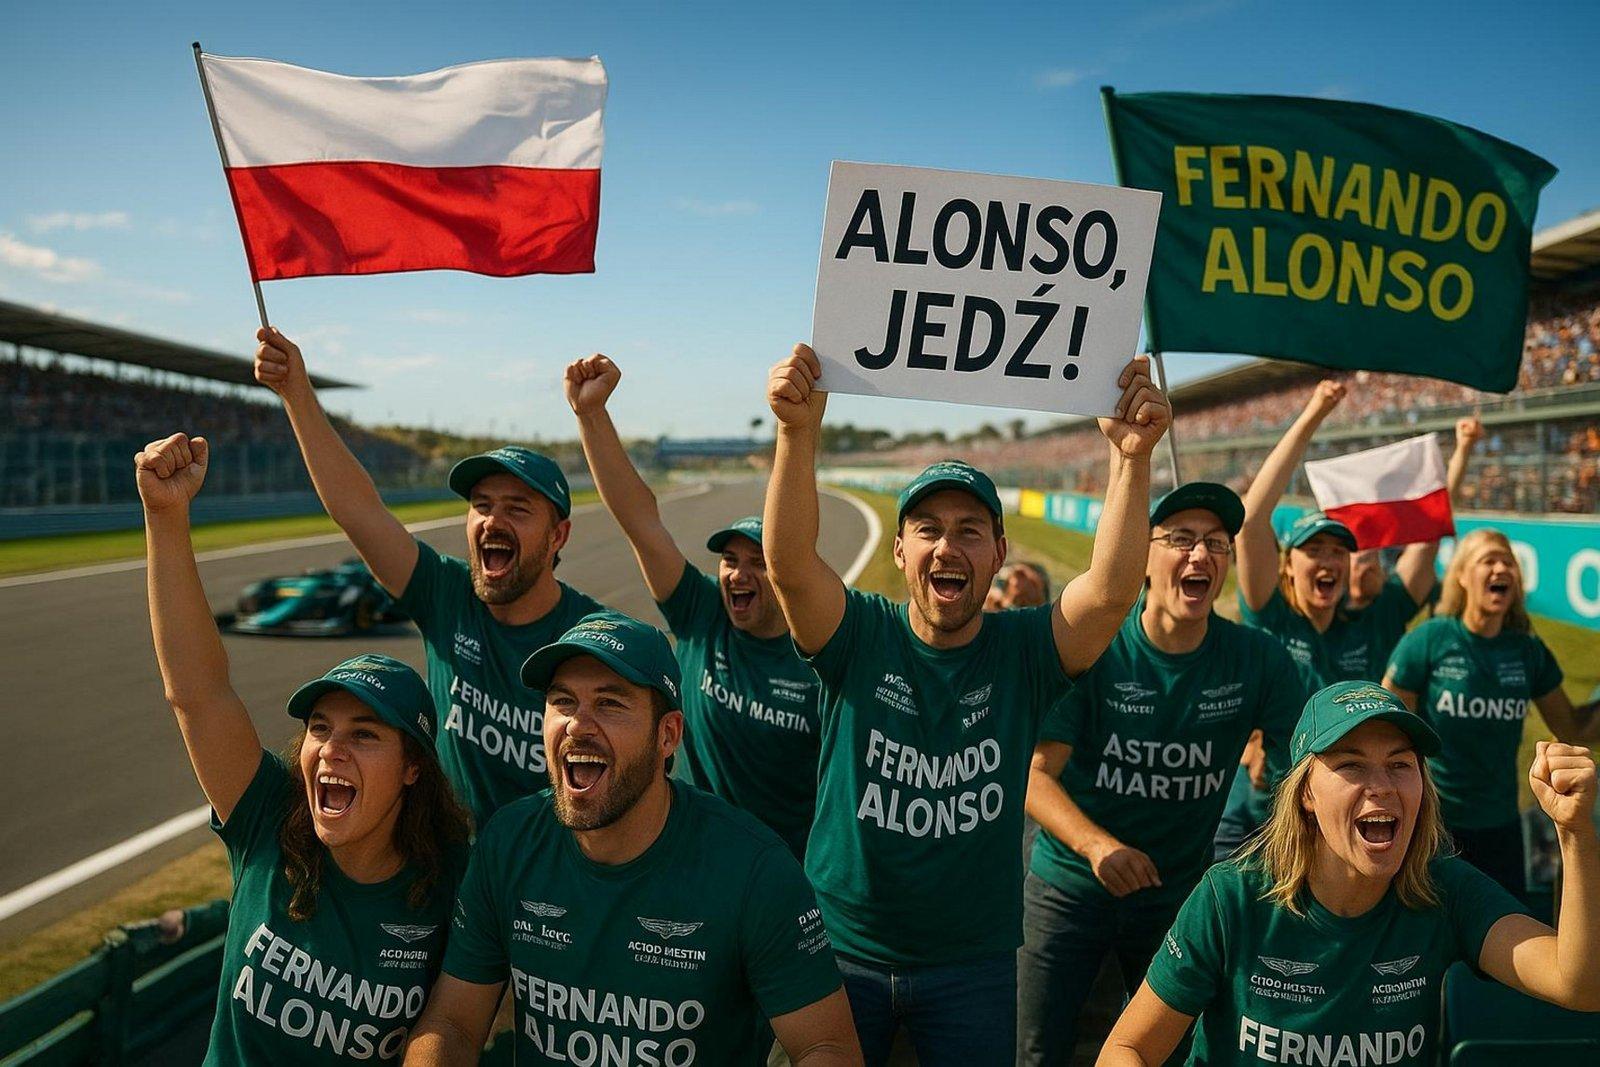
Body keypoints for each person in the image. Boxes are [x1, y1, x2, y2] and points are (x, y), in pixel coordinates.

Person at [762, 343, 1170, 1065]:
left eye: (969, 531)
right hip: (838, 948)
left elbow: (1108, 595)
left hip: (973, 963)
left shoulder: (1021, 651)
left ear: (998, 554)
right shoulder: (862, 633)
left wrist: (1131, 460)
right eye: (929, 529)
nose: (947, 546)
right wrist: (798, 434)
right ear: (899, 550)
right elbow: (791, 568)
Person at [138, 432, 470, 1064]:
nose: (331, 748)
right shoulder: (267, 815)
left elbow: (457, 1021)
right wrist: (165, 516)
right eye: (320, 727)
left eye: (365, 734)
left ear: (412, 769)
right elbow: (198, 695)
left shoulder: (454, 880)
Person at [405, 611, 862, 1066]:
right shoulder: (508, 842)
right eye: (563, 702)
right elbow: (453, 1024)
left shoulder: (753, 870)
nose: (578, 725)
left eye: (609, 704)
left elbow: (826, 1047)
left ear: (667, 736)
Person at [1100, 681, 1600, 1066]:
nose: (1381, 786)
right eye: (1352, 765)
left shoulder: (1445, 890)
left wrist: (1575, 831)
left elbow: (1579, 985)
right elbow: (1127, 1048)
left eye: (1401, 765)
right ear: (1306, 794)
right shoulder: (1231, 897)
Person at [256, 328, 602, 826]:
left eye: (517, 508)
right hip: (448, 867)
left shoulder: (588, 637)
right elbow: (359, 512)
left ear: (558, 536)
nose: (492, 520)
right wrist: (297, 394)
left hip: (544, 877)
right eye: (481, 505)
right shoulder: (447, 593)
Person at [1018, 483, 1306, 1064]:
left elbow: (1305, 764)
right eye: (1180, 540)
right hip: (1069, 886)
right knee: (1035, 1049)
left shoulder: (1257, 658)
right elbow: (1034, 777)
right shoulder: (1097, 647)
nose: (1200, 555)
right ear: (1144, 557)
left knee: (1170, 1053)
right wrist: (1099, 847)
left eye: (1216, 543)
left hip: (1178, 895)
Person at [565, 353, 820, 857]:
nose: (738, 573)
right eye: (729, 559)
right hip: (689, 855)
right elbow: (642, 521)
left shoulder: (820, 650)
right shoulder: (703, 615)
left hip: (786, 868)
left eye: (760, 562)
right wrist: (591, 416)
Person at [1215, 384, 1447, 858]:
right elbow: (1253, 519)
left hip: (1344, 822)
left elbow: (1424, 548)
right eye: (1314, 550)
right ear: (1288, 566)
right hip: (1260, 814)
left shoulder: (1369, 622)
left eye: (1339, 552)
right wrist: (1314, 413)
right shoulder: (1269, 617)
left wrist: (1445, 471)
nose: (1330, 560)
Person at [1384, 528, 1600, 894]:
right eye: (1489, 560)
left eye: (1508, 562)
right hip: (1433, 827)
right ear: (1463, 576)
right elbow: (1388, 727)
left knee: (1507, 943)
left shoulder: (1527, 652)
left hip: (1502, 828)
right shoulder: (1430, 639)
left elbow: (1574, 729)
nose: (1501, 568)